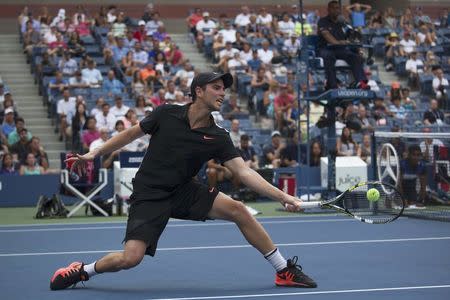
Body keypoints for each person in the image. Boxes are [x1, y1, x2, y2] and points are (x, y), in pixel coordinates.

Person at [50, 72, 317, 290]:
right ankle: (83, 271)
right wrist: (95, 152)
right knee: (130, 259)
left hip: (183, 190)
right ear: (198, 91)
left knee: (238, 209)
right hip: (150, 194)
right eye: (216, 87)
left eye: (224, 89)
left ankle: (283, 270)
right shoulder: (166, 114)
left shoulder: (218, 135)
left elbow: (243, 172)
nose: (223, 93)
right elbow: (130, 135)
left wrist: (283, 196)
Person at [317, 1, 368, 90]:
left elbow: (352, 37)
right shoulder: (323, 21)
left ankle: (362, 83)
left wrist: (357, 49)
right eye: (334, 8)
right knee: (329, 56)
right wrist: (340, 42)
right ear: (328, 9)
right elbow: (327, 36)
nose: (336, 10)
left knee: (355, 57)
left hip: (340, 49)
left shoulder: (343, 23)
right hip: (326, 48)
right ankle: (333, 86)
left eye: (338, 8)